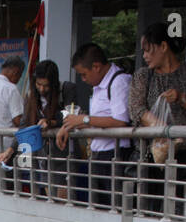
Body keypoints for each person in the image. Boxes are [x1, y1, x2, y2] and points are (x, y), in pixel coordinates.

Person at [129, 22, 186, 216]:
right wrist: (165, 132)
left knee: (185, 209)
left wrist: (181, 97)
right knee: (151, 209)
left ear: (163, 46)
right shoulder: (144, 76)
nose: (145, 56)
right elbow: (137, 110)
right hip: (154, 156)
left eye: (148, 50)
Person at [56, 43, 133, 209]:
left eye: (84, 74)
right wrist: (70, 124)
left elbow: (120, 120)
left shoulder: (119, 82)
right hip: (99, 154)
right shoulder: (99, 86)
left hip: (114, 155)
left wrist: (84, 120)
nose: (83, 79)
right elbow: (97, 118)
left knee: (114, 208)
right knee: (97, 208)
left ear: (96, 67)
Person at [0, 60, 68, 198]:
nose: (41, 89)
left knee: (62, 200)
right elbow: (24, 125)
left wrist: (51, 122)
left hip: (63, 157)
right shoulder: (31, 96)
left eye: (46, 86)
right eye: (38, 84)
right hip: (41, 158)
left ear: (53, 83)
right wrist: (10, 150)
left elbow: (71, 113)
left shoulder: (65, 89)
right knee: (46, 198)